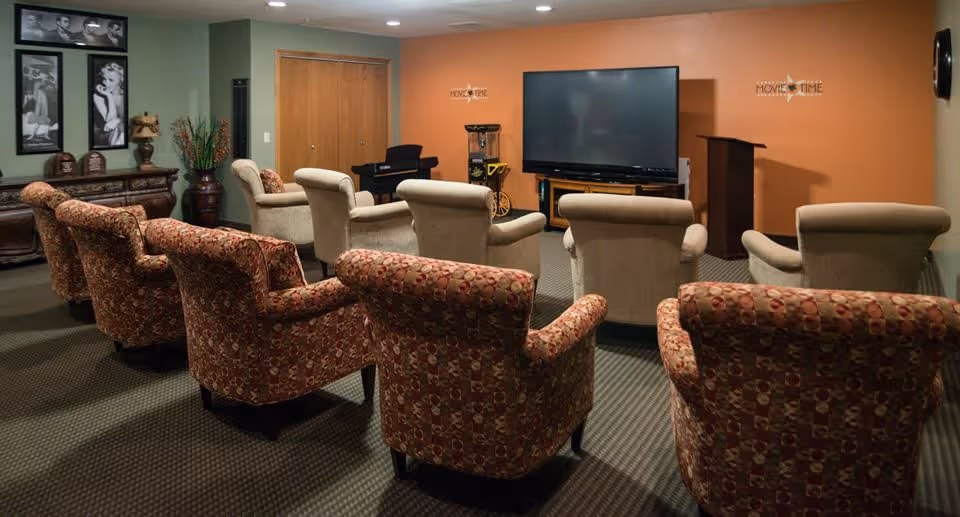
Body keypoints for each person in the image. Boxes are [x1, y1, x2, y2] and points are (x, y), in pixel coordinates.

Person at [92, 62, 125, 147]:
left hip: (122, 133)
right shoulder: (97, 97)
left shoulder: (124, 96)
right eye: (104, 79)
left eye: (111, 80)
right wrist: (109, 96)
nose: (106, 83)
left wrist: (118, 121)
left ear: (120, 81)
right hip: (107, 135)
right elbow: (110, 121)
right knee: (118, 130)